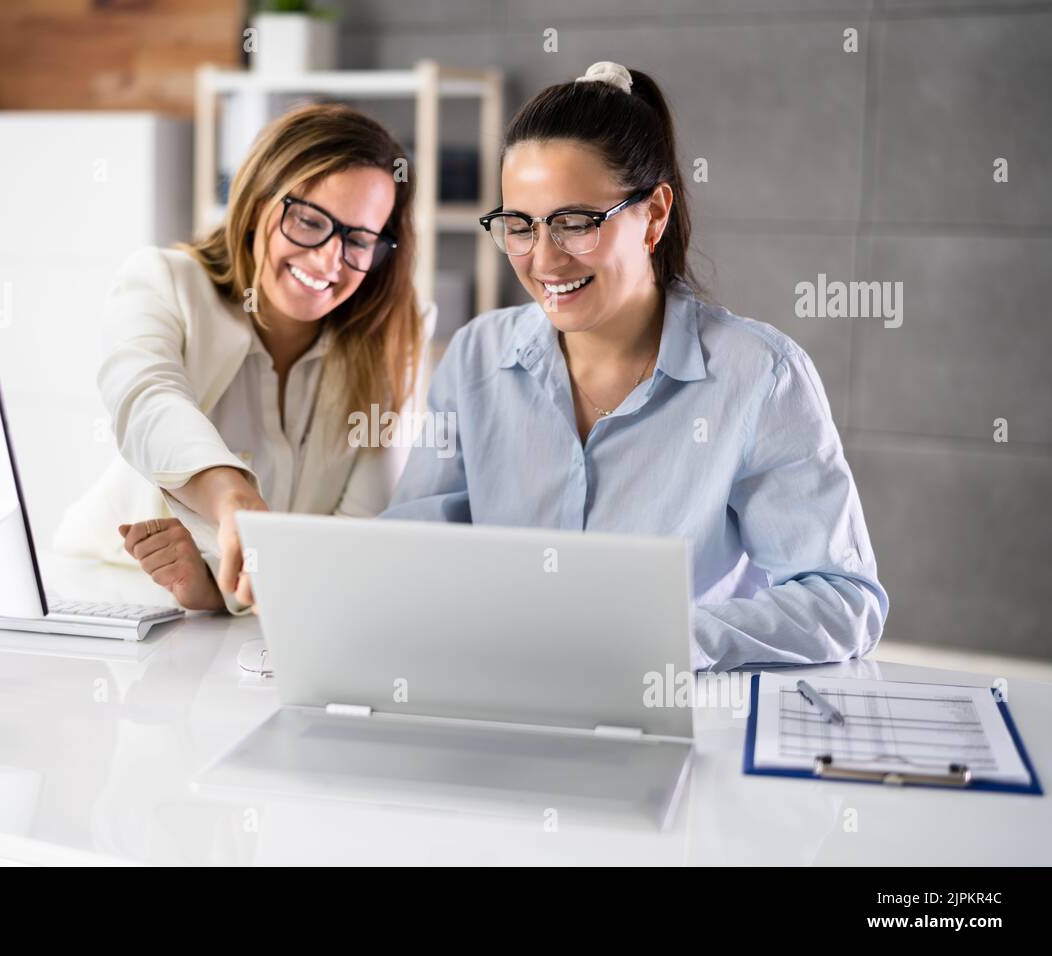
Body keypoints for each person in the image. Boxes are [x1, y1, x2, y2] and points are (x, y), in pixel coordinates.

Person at [384, 62, 888, 671]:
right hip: (501, 699)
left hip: (679, 714)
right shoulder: (475, 357)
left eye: (574, 223)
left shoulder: (760, 377)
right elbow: (410, 549)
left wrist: (661, 642)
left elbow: (842, 600)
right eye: (519, 226)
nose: (544, 259)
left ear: (653, 215)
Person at [54, 103, 428, 612]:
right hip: (112, 590)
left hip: (269, 625)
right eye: (308, 220)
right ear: (255, 204)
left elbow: (355, 541)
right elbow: (146, 401)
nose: (328, 260)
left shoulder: (388, 338)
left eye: (359, 240)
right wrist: (232, 501)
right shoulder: (163, 281)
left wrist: (215, 589)